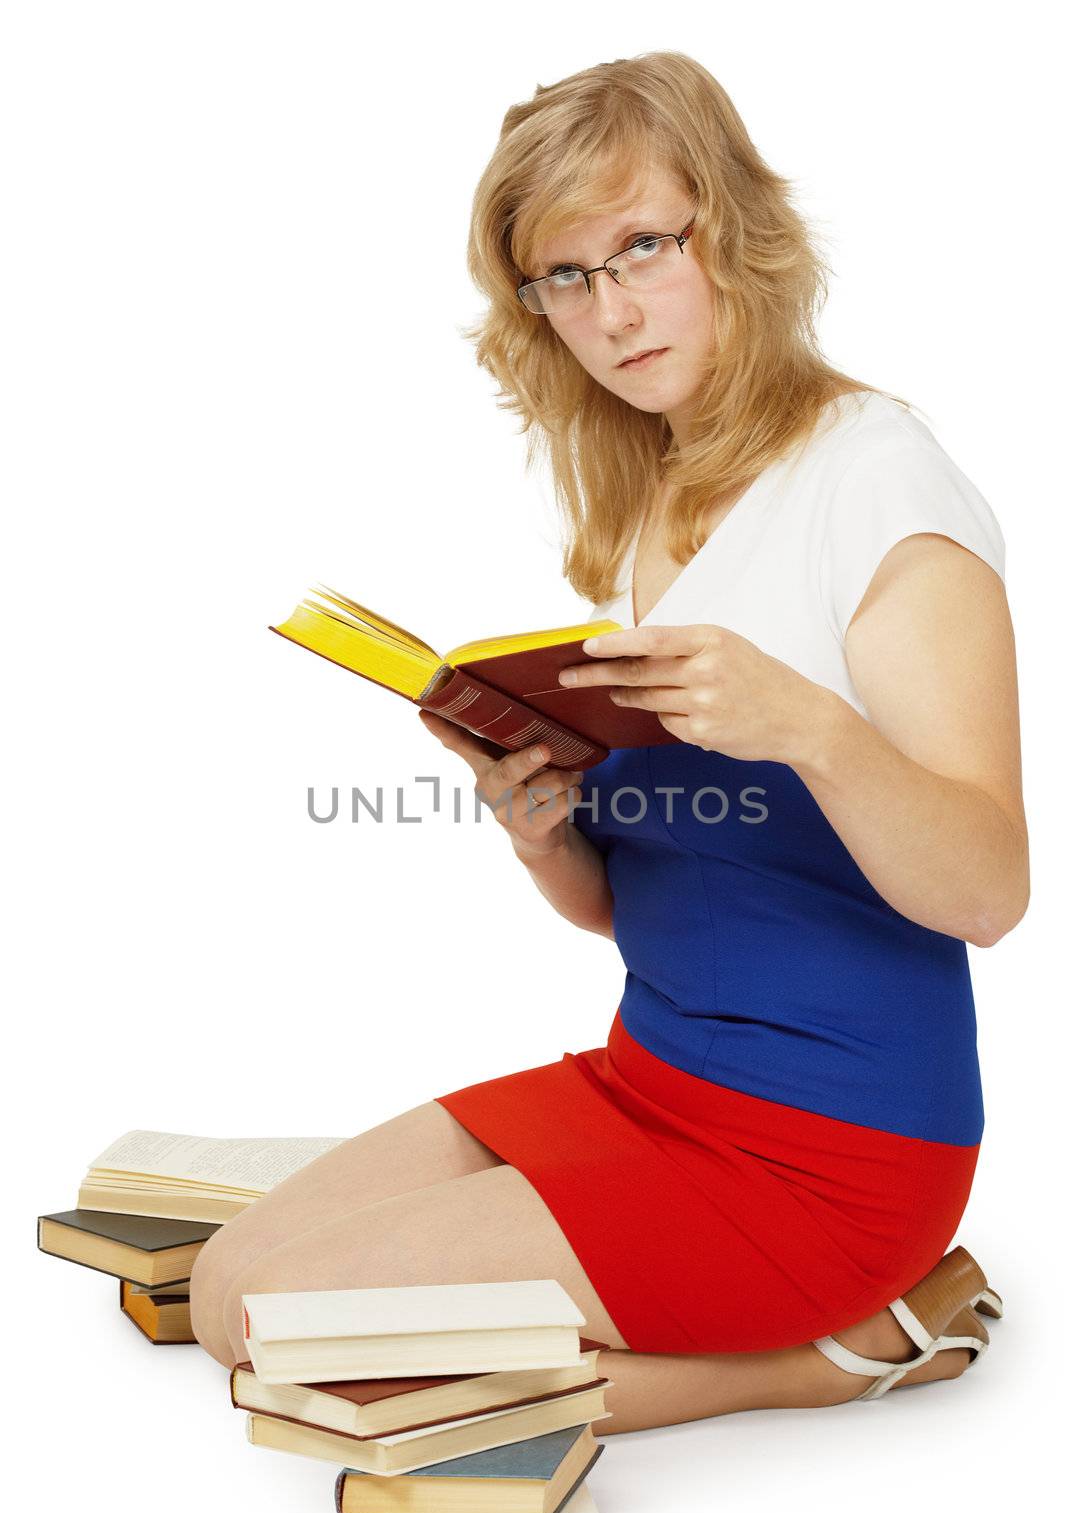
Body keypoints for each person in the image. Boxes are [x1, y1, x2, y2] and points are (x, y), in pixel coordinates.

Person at [190, 52, 1027, 1432]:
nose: (614, 310)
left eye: (644, 244)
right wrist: (544, 832)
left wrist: (806, 725)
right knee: (233, 1289)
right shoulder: (657, 495)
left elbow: (991, 889)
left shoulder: (881, 482)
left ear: (736, 234)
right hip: (653, 1081)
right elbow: (658, 906)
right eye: (565, 277)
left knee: (289, 1342)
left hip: (831, 1152)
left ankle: (832, 1357)